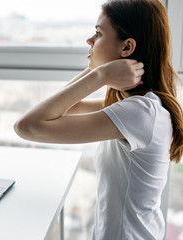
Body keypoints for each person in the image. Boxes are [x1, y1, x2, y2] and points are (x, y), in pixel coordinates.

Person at [14, 0, 183, 239]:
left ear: (127, 48)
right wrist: (96, 70)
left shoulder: (140, 113)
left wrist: (100, 73)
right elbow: (65, 107)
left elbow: (26, 127)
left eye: (98, 33)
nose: (90, 40)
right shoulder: (139, 106)